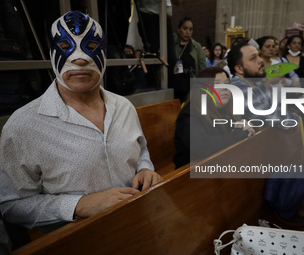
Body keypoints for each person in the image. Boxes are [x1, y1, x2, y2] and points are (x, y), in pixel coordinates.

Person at [0, 11, 162, 233]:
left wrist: (145, 169)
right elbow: (11, 204)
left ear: (104, 52)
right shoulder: (24, 125)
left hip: (137, 226)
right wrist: (76, 205)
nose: (80, 58)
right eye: (66, 47)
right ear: (52, 53)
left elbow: (141, 150)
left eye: (92, 45)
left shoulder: (124, 107)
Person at [173, 67, 255, 169]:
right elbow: (204, 146)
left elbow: (246, 128)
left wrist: (247, 127)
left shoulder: (228, 110)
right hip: (191, 176)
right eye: (217, 84)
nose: (225, 88)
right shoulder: (189, 115)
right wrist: (240, 133)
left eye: (227, 83)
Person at [227, 42, 300, 128]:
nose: (261, 60)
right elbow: (263, 116)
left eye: (259, 55)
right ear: (239, 69)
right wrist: (298, 119)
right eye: (253, 58)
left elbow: (276, 107)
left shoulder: (257, 83)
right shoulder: (238, 88)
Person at [173, 16, 206, 103]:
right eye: (185, 28)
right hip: (174, 85)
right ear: (178, 29)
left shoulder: (197, 47)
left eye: (190, 29)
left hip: (191, 86)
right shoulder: (172, 44)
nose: (188, 32)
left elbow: (202, 68)